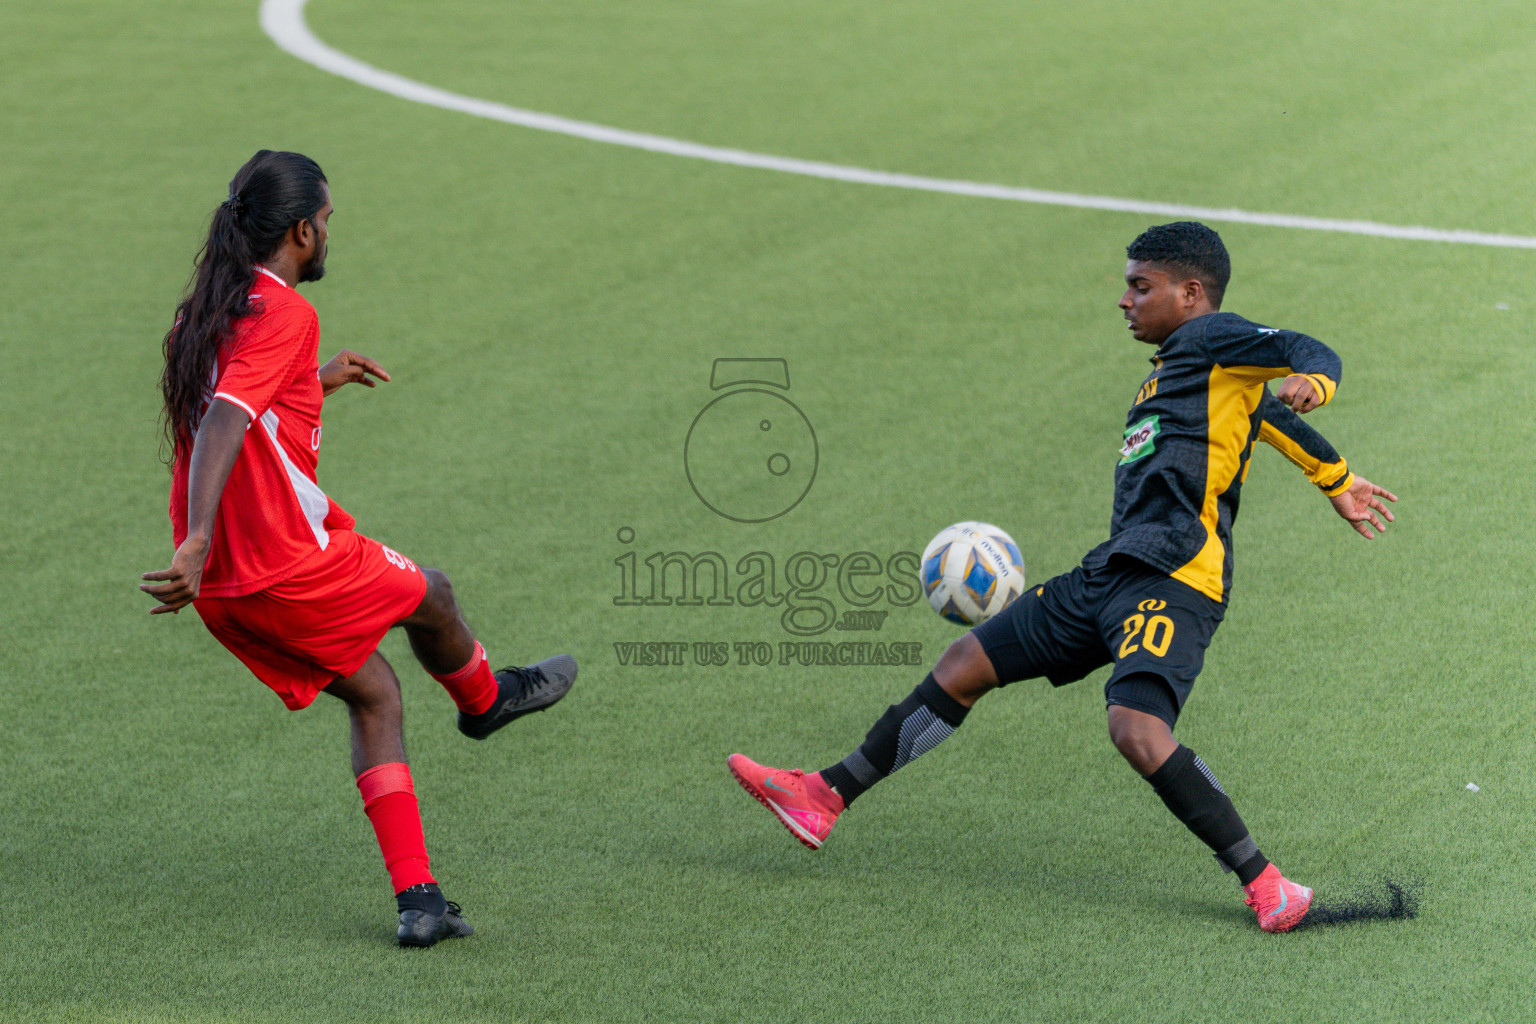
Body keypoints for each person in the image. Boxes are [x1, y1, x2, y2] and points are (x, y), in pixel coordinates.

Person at [728, 221, 1396, 933]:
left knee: (1137, 730)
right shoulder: (1179, 371)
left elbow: (1305, 353)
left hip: (1176, 578)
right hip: (1111, 571)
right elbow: (1264, 416)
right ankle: (824, 796)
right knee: (965, 663)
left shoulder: (1213, 339)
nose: (1125, 300)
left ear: (1191, 292)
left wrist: (1315, 382)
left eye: (1141, 286)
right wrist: (1337, 478)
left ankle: (1268, 884)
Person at [140, 150, 577, 948]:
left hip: (227, 593)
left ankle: (420, 904)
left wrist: (315, 381)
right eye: (328, 223)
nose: (330, 235)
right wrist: (198, 535)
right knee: (432, 594)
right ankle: (486, 701)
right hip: (283, 568)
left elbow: (240, 398)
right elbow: (224, 422)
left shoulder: (202, 312)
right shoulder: (284, 311)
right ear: (301, 231)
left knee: (376, 693)